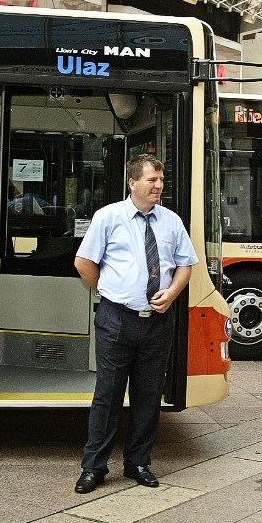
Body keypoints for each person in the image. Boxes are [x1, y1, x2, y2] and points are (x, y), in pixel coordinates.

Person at [72, 154, 198, 494]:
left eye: (160, 179)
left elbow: (185, 265)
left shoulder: (171, 221)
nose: (158, 185)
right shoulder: (108, 217)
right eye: (151, 180)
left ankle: (138, 463)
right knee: (108, 396)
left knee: (148, 396)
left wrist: (171, 294)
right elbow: (83, 262)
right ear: (133, 183)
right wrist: (107, 290)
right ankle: (94, 467)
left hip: (157, 322)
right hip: (117, 320)